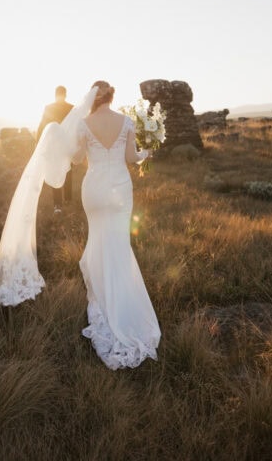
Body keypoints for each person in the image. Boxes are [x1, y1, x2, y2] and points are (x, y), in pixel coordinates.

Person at [72, 80, 161, 369]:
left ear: (92, 98)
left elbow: (75, 159)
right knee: (118, 244)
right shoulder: (125, 122)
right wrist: (147, 152)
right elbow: (131, 158)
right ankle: (122, 298)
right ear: (112, 96)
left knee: (97, 237)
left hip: (94, 189)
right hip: (120, 188)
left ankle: (102, 288)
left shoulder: (83, 124)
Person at [37, 85, 74, 213]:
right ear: (65, 94)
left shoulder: (49, 108)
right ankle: (68, 199)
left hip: (53, 146)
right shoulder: (71, 108)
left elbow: (42, 127)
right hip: (67, 145)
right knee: (67, 171)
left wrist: (39, 144)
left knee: (56, 171)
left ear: (55, 94)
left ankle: (58, 205)